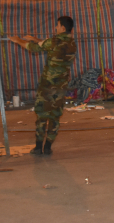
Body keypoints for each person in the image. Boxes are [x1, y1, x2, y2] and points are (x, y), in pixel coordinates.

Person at [8, 16, 76, 155]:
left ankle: (39, 147)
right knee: (55, 117)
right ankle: (48, 147)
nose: (55, 28)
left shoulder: (54, 41)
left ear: (63, 28)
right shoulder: (71, 43)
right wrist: (35, 39)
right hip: (61, 87)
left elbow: (32, 48)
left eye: (57, 25)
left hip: (47, 87)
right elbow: (47, 45)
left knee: (42, 116)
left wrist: (18, 40)